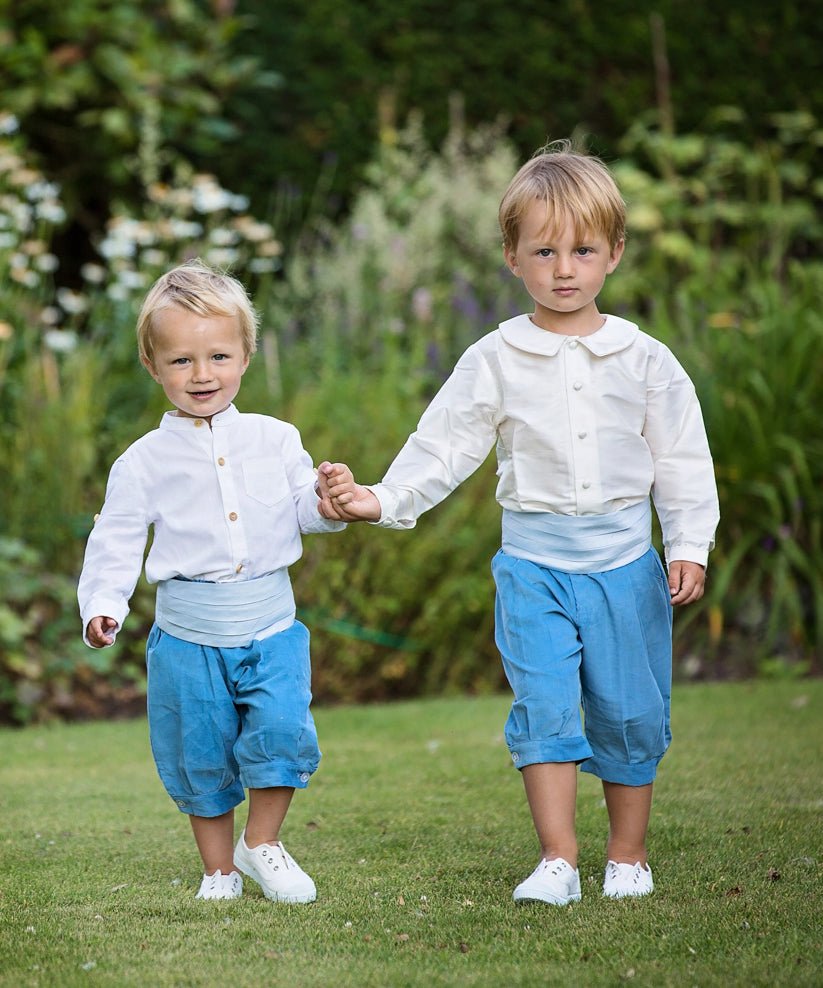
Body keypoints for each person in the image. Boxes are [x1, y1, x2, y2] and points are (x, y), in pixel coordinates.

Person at [317, 141, 719, 904]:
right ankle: (558, 861)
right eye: (543, 250)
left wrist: (688, 542)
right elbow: (443, 445)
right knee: (544, 705)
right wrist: (381, 497)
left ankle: (626, 857)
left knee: (631, 712)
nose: (563, 268)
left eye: (582, 249)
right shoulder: (494, 358)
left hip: (625, 569)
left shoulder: (645, 361)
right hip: (532, 568)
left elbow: (681, 460)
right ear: (511, 257)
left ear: (614, 254)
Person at [78, 259, 346, 902]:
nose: (202, 375)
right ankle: (219, 870)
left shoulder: (276, 440)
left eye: (219, 356)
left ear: (246, 355)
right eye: (181, 361)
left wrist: (330, 501)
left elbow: (306, 515)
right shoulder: (141, 462)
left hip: (272, 626)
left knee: (282, 731)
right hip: (188, 636)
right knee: (199, 752)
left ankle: (264, 843)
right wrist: (103, 604)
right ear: (153, 364)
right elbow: (114, 541)